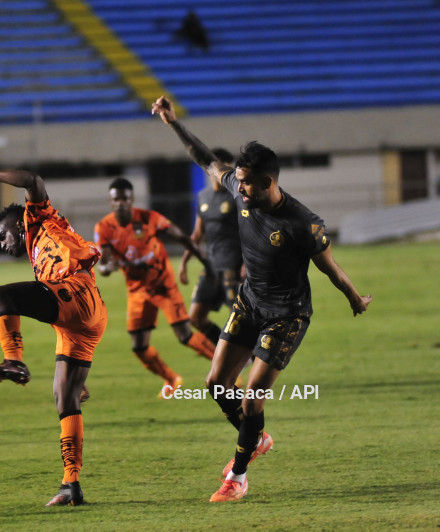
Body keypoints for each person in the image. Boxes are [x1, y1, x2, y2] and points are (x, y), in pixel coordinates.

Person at [152, 96, 372, 502]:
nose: (239, 187)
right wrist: (172, 122)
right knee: (217, 383)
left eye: (247, 182)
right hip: (250, 302)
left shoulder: (303, 224)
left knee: (252, 400)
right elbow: (203, 157)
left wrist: (355, 298)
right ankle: (257, 440)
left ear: (268, 182)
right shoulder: (240, 186)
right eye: (238, 179)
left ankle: (237, 476)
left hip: (286, 316)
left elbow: (331, 269)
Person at [0, 159, 108, 507]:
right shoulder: (38, 256)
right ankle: (70, 485)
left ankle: (14, 361)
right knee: (65, 398)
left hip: (77, 292)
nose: (2, 243)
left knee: (2, 296)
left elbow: (32, 179)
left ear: (19, 221)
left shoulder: (38, 216)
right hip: (84, 318)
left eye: (3, 235)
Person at [94, 178, 216, 395]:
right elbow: (104, 261)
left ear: (132, 200)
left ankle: (226, 367)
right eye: (116, 199)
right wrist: (106, 268)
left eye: (125, 199)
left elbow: (182, 237)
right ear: (110, 201)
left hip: (163, 285)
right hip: (137, 291)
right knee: (139, 346)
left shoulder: (149, 219)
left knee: (184, 335)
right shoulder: (104, 227)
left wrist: (204, 261)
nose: (120, 203)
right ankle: (171, 379)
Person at [178, 148, 242, 345]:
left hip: (233, 265)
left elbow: (248, 232)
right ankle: (228, 355)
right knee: (195, 317)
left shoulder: (237, 196)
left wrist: (246, 264)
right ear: (211, 170)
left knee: (241, 318)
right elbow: (197, 234)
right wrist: (184, 262)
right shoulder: (203, 196)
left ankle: (250, 357)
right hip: (210, 266)